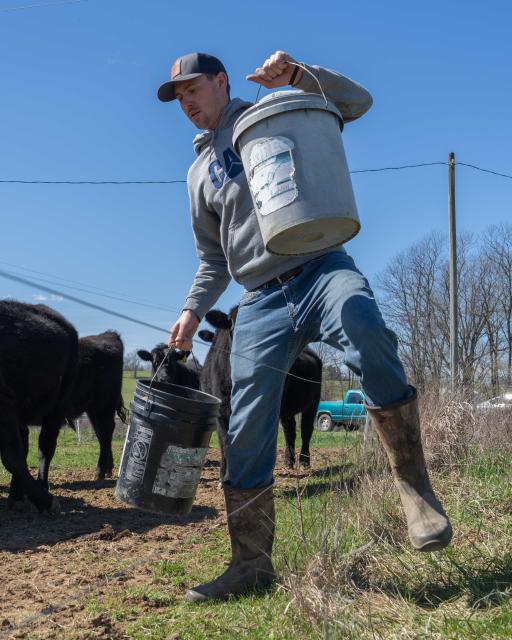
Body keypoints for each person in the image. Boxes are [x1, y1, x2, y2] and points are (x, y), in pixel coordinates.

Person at [157, 50, 453, 602]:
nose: (187, 103)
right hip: (259, 300)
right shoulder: (198, 174)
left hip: (319, 265)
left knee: (363, 324)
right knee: (243, 426)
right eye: (179, 98)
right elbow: (211, 258)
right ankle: (250, 565)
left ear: (221, 82)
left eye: (193, 89)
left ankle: (415, 490)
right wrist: (192, 309)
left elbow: (356, 103)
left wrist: (297, 76)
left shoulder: (273, 113)